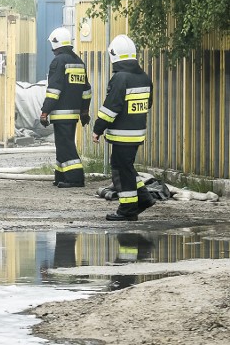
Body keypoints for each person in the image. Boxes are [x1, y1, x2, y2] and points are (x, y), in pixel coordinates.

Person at [92, 34, 154, 221]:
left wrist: (98, 128)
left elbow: (111, 108)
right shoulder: (144, 77)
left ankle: (127, 210)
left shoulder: (120, 78)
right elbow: (148, 104)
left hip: (122, 135)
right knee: (126, 167)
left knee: (121, 169)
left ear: (114, 56)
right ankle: (143, 198)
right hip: (137, 133)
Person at [40, 27, 92, 188]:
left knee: (66, 145)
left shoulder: (58, 61)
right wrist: (84, 111)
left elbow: (54, 89)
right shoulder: (78, 62)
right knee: (63, 144)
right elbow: (86, 89)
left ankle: (75, 178)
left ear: (56, 43)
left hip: (61, 113)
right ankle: (61, 175)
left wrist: (45, 111)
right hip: (74, 113)